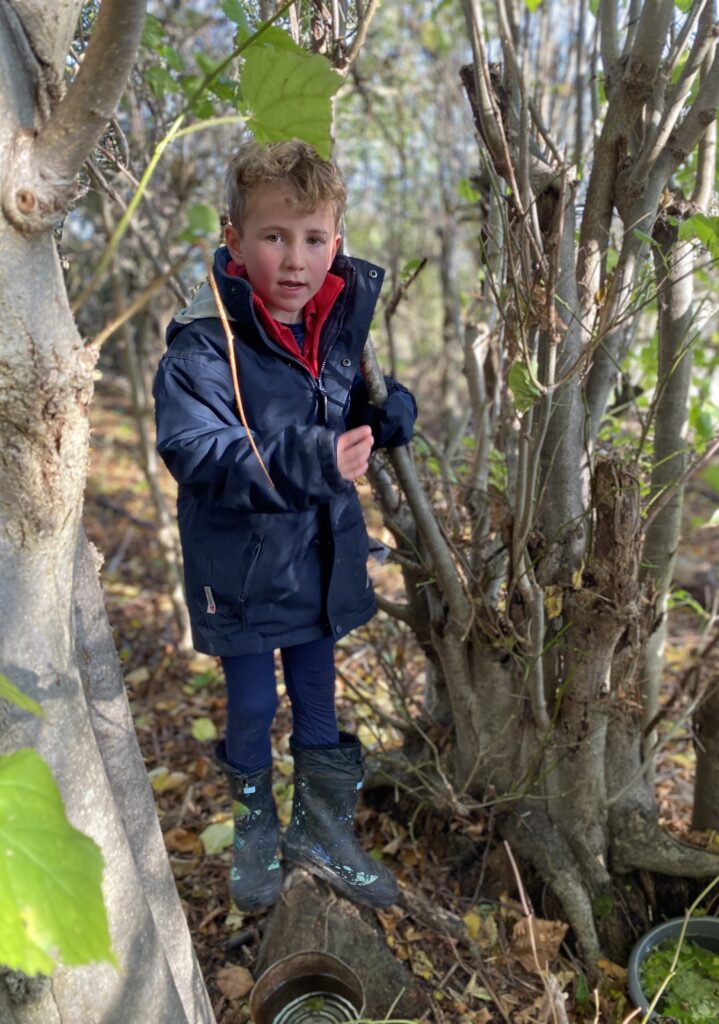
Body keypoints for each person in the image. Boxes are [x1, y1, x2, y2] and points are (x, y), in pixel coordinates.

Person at [153, 139, 417, 912]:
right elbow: (198, 451)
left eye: (312, 239)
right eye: (273, 237)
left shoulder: (332, 324)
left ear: (336, 243)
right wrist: (315, 457)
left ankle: (323, 830)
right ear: (234, 239)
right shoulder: (205, 345)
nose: (295, 261)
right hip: (239, 569)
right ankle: (256, 824)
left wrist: (385, 414)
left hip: (319, 555)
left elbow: (336, 408)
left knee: (317, 695)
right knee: (255, 704)